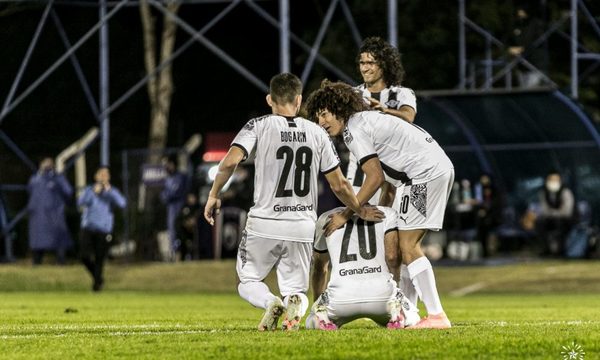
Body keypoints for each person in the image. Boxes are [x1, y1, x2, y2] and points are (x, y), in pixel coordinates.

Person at [203, 73, 383, 332]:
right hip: (301, 226)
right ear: (299, 100)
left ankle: (269, 302)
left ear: (269, 99)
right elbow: (339, 184)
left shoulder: (259, 125)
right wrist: (359, 209)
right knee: (295, 288)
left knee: (247, 279)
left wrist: (213, 194)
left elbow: (229, 162)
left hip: (264, 223)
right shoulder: (317, 133)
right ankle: (294, 300)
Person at [305, 80, 455, 329]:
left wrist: (347, 213)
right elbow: (386, 178)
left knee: (407, 247)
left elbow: (373, 177)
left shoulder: (354, 128)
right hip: (429, 171)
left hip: (424, 175)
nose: (321, 122)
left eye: (324, 114)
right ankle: (409, 312)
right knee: (403, 246)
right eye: (317, 117)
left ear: (338, 107)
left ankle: (437, 315)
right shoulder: (366, 120)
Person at [306, 206, 420, 330]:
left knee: (311, 319)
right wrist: (394, 286)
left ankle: (321, 318)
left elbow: (319, 267)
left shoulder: (326, 217)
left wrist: (318, 302)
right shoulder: (386, 213)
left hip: (340, 298)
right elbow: (392, 257)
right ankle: (398, 315)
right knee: (414, 317)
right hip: (382, 297)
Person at [347, 36, 417, 204]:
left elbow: (408, 117)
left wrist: (384, 111)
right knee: (359, 229)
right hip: (358, 180)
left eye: (370, 63)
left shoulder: (402, 93)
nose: (365, 68)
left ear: (384, 65)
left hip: (394, 181)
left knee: (389, 228)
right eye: (362, 63)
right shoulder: (352, 95)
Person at [78, 167, 126, 291]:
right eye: (101, 174)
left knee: (100, 258)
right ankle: (98, 277)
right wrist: (94, 192)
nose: (104, 177)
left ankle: (97, 285)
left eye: (106, 175)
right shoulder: (89, 190)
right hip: (88, 227)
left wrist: (109, 191)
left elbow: (122, 203)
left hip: (103, 229)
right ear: (96, 176)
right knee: (84, 256)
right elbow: (80, 202)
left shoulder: (111, 192)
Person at [26, 157, 73, 265]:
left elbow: (68, 191)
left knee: (58, 238)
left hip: (54, 214)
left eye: (49, 163)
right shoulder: (35, 179)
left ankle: (61, 261)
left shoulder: (58, 178)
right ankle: (37, 262)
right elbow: (30, 190)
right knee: (38, 238)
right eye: (44, 163)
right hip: (38, 215)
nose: (46, 165)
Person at [534, 170, 575, 257]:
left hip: (566, 220)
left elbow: (566, 212)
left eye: (555, 179)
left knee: (559, 223)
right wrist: (555, 212)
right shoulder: (543, 193)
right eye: (551, 179)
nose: (553, 182)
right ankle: (546, 249)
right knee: (539, 222)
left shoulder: (566, 192)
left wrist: (552, 213)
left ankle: (560, 250)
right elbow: (544, 210)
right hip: (550, 219)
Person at [161, 154, 190, 260]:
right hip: (171, 209)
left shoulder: (181, 176)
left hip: (180, 207)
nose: (165, 167)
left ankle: (183, 254)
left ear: (172, 164)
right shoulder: (168, 178)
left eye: (167, 164)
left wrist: (167, 195)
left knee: (179, 231)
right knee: (172, 231)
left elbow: (175, 192)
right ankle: (175, 254)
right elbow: (164, 195)